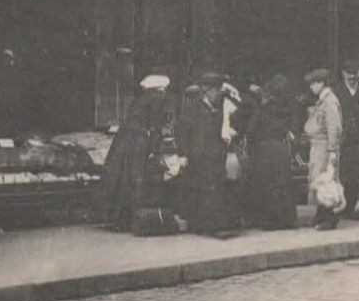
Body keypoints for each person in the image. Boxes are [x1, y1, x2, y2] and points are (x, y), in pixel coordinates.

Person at [98, 74, 172, 231]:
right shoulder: (157, 100)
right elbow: (156, 127)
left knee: (122, 178)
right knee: (138, 179)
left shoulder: (140, 100)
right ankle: (135, 218)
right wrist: (154, 150)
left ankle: (118, 218)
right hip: (139, 144)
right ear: (159, 90)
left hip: (125, 142)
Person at [175, 73, 237, 234]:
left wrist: (232, 92)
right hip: (198, 155)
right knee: (201, 188)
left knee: (216, 188)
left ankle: (214, 224)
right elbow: (182, 132)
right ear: (206, 90)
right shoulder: (192, 108)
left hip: (217, 154)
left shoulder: (221, 107)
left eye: (219, 90)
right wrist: (182, 154)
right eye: (215, 90)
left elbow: (238, 108)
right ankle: (202, 224)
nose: (217, 93)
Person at [244, 75, 299, 230]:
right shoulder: (288, 108)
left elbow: (251, 130)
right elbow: (294, 130)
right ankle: (287, 220)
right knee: (283, 183)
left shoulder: (263, 109)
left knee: (268, 184)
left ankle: (269, 221)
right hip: (281, 150)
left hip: (265, 150)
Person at [332, 62, 359, 219]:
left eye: (354, 74)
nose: (352, 78)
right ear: (343, 74)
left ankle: (355, 208)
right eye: (348, 74)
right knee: (344, 175)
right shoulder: (336, 92)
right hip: (344, 140)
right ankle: (342, 208)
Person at [304, 69, 344, 231]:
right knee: (319, 180)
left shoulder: (329, 101)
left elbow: (334, 128)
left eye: (316, 83)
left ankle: (330, 217)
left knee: (326, 181)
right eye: (311, 83)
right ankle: (321, 213)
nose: (312, 86)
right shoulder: (322, 100)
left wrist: (332, 151)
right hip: (317, 146)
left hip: (324, 147)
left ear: (323, 83)